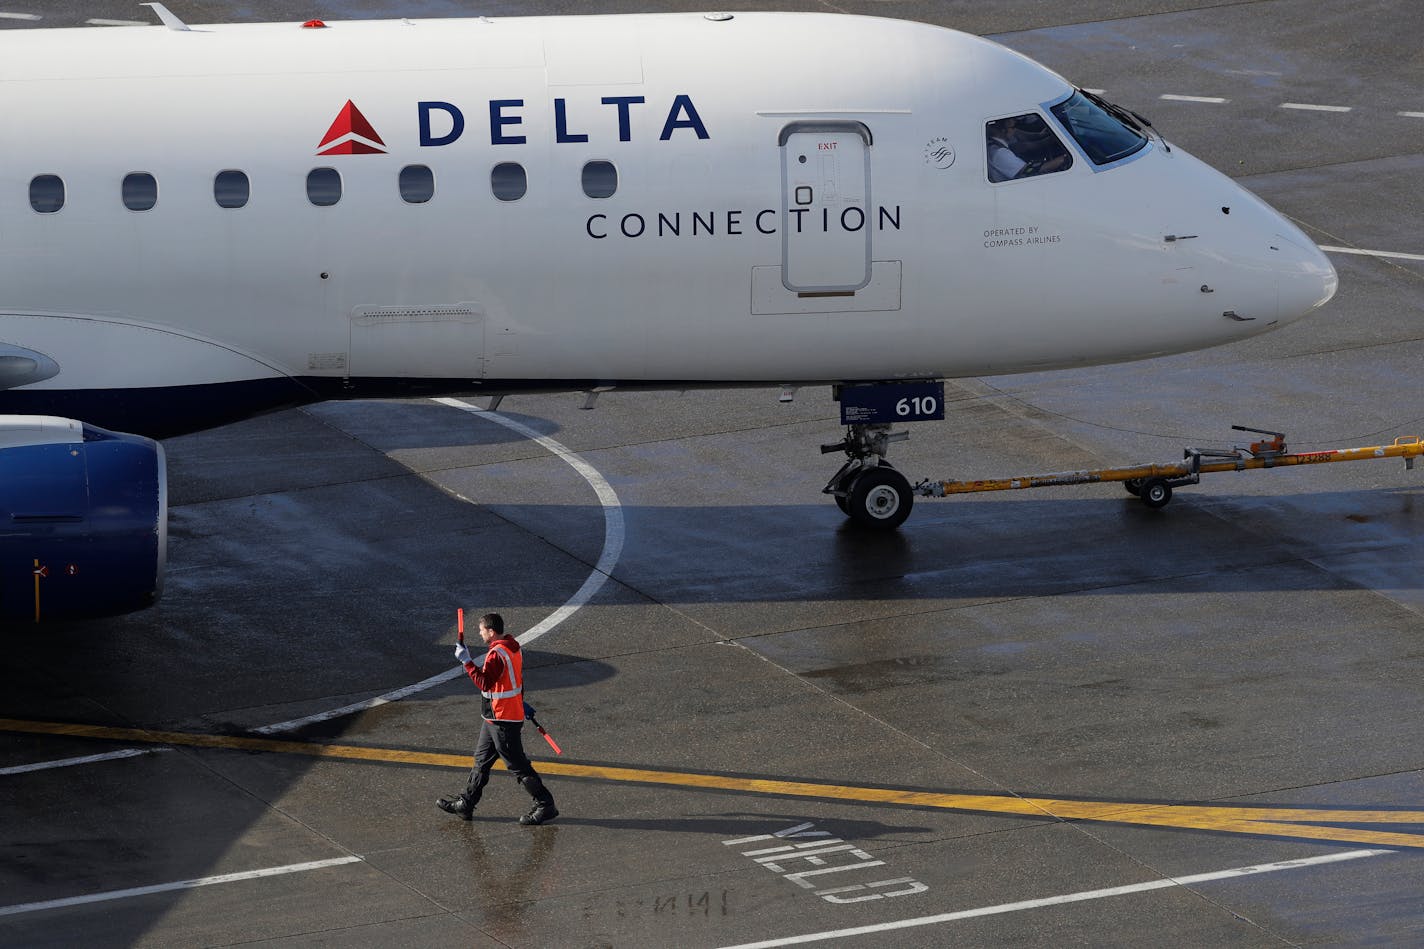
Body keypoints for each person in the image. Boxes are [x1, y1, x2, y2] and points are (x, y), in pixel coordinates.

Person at [437, 613, 559, 825]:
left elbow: (484, 683)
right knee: (481, 761)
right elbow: (514, 680)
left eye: (482, 629)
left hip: (503, 719)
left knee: (518, 766)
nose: (480, 632)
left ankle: (545, 804)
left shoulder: (496, 655)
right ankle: (467, 803)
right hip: (494, 717)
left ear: (491, 632)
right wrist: (520, 702)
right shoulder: (512, 647)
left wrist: (466, 661)